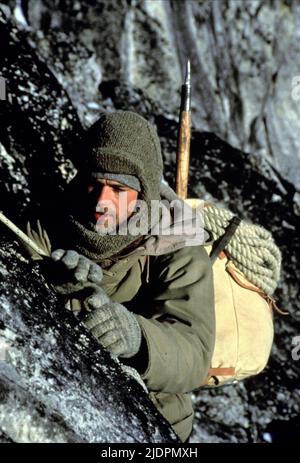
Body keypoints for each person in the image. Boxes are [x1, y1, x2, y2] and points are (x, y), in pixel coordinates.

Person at [28, 110, 215, 443]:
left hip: (154, 415)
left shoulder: (178, 245)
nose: (101, 201)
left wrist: (136, 336)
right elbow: (17, 267)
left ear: (144, 193)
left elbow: (196, 353)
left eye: (118, 189)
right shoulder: (54, 219)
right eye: (94, 183)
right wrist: (48, 278)